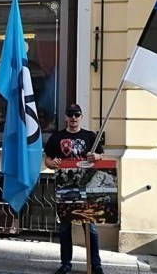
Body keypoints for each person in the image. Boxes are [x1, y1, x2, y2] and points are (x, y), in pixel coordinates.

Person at [44, 104, 105, 274]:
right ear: (65, 117)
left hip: (87, 188)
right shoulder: (57, 137)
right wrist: (52, 163)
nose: (73, 118)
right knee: (64, 227)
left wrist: (97, 156)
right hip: (65, 188)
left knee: (90, 228)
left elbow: (101, 157)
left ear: (81, 117)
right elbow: (47, 160)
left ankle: (95, 264)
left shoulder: (90, 136)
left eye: (76, 114)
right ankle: (65, 263)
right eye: (70, 115)